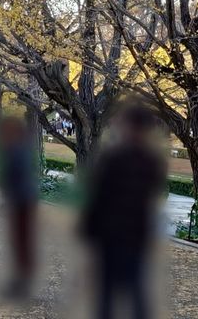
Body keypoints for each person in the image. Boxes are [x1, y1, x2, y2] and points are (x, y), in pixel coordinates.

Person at [79, 102, 166, 319]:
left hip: (114, 232)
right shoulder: (152, 161)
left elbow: (99, 198)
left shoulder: (114, 158)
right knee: (133, 288)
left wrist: (90, 231)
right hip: (135, 232)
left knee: (110, 290)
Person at [0, 116, 39, 300]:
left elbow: (13, 177)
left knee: (21, 242)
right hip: (23, 199)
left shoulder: (16, 150)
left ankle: (23, 284)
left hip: (21, 201)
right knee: (20, 242)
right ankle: (21, 281)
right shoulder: (20, 150)